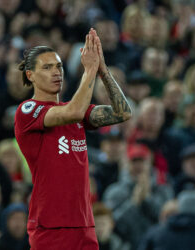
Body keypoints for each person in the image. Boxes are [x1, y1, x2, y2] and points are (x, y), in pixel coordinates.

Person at [14, 28, 132, 250]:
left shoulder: (73, 111)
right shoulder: (28, 110)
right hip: (51, 226)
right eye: (47, 67)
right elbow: (73, 112)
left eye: (58, 66)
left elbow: (122, 113)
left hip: (84, 224)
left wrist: (103, 70)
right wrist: (89, 69)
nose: (56, 72)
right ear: (30, 75)